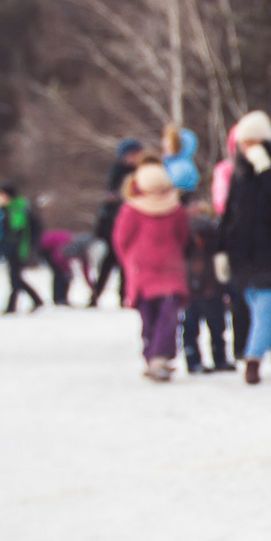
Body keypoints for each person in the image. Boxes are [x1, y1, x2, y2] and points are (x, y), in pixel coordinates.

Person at [217, 110, 271, 385]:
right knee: (257, 305)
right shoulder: (240, 173)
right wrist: (221, 249)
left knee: (266, 306)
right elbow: (229, 213)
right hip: (243, 251)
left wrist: (267, 171)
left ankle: (253, 359)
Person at [113, 157, 191, 382]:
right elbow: (122, 240)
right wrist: (131, 263)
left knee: (168, 315)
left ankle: (159, 358)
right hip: (143, 273)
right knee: (150, 317)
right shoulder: (131, 211)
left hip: (170, 272)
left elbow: (182, 237)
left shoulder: (176, 211)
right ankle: (153, 356)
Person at [87, 137, 144, 306]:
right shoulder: (118, 171)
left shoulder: (141, 172)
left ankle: (124, 295)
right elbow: (112, 198)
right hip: (114, 225)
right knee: (110, 262)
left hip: (130, 223)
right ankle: (97, 294)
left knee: (125, 263)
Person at [182, 200, 227, 373]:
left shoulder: (185, 235)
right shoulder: (215, 234)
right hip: (211, 288)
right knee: (216, 327)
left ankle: (193, 360)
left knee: (191, 328)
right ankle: (219, 359)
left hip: (192, 288)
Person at [0, 182, 44, 313]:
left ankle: (14, 306)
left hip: (18, 249)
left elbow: (16, 232)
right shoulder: (12, 209)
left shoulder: (17, 210)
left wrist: (22, 248)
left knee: (15, 278)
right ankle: (35, 301)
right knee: (16, 278)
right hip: (14, 248)